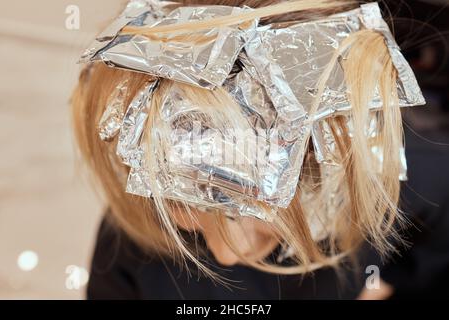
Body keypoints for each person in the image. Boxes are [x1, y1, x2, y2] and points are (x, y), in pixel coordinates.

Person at [71, 0, 425, 299]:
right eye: (178, 200)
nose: (227, 254)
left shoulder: (412, 193)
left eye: (266, 201)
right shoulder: (133, 236)